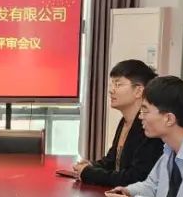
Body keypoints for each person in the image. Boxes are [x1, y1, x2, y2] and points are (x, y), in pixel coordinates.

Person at [70, 59, 164, 187]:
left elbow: (135, 178)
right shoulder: (125, 121)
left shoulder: (148, 127)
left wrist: (89, 173)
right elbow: (112, 161)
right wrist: (90, 165)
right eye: (112, 84)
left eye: (118, 85)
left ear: (138, 91)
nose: (111, 90)